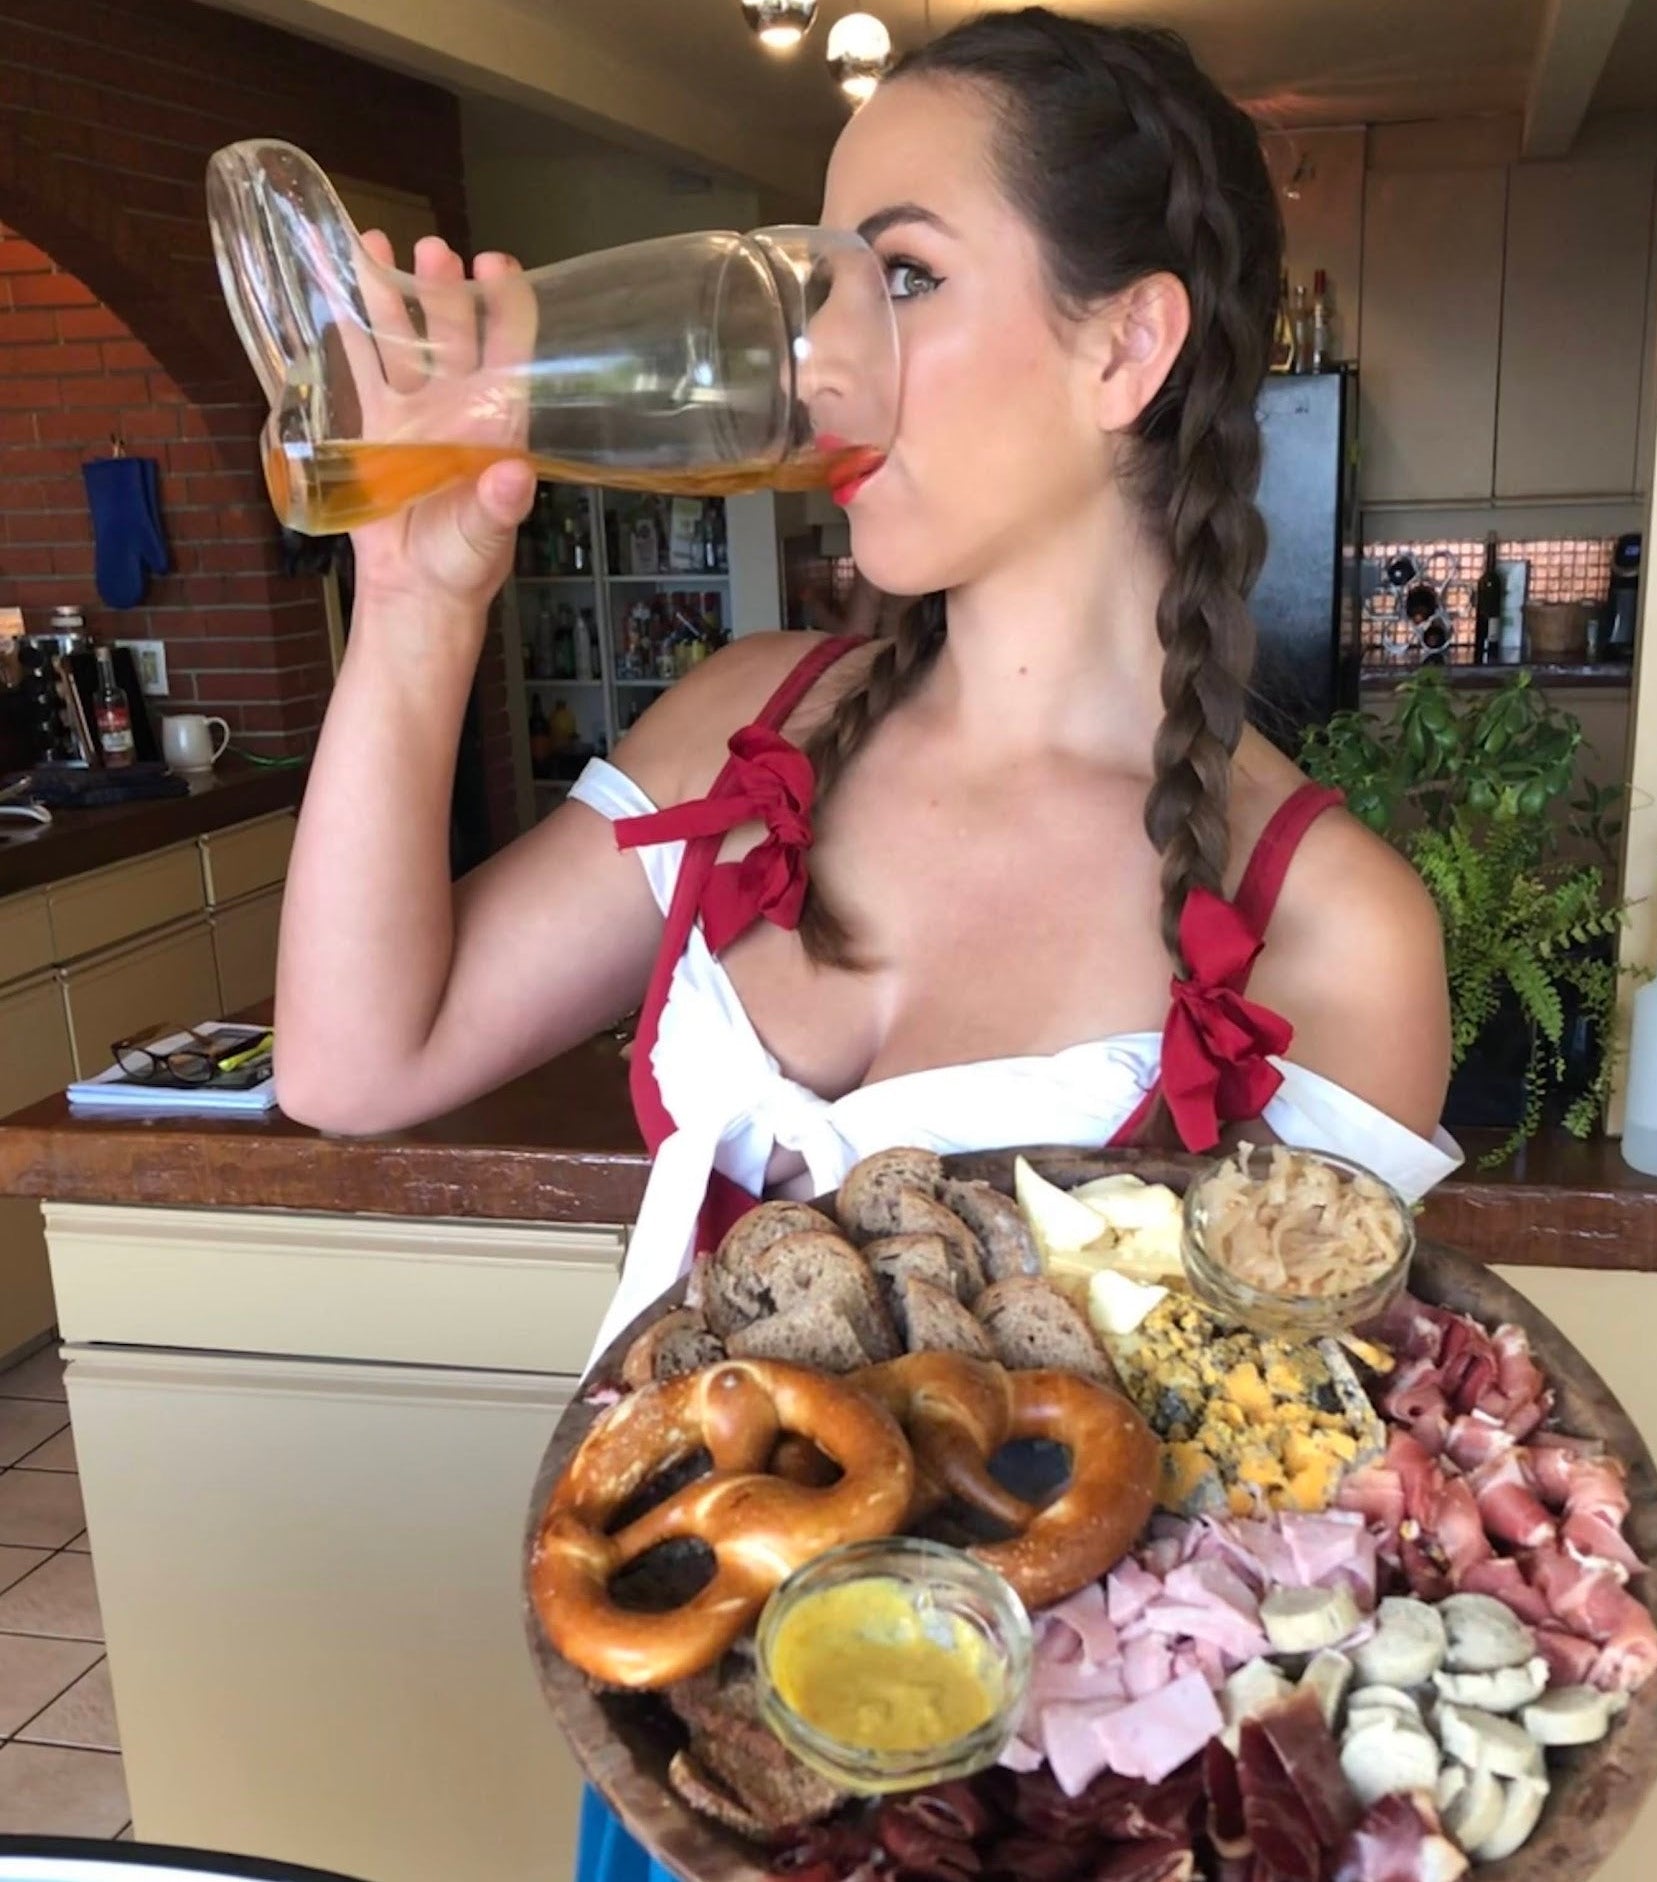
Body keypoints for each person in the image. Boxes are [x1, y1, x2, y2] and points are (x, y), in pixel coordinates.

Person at [272, 10, 1459, 1879]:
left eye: (901, 274)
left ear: (1124, 344)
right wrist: (420, 602)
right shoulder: (746, 719)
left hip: (1023, 1826)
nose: (821, 354)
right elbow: (353, 1066)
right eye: (824, 278)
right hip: (682, 1755)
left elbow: (1278, 1526)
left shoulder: (1328, 918)